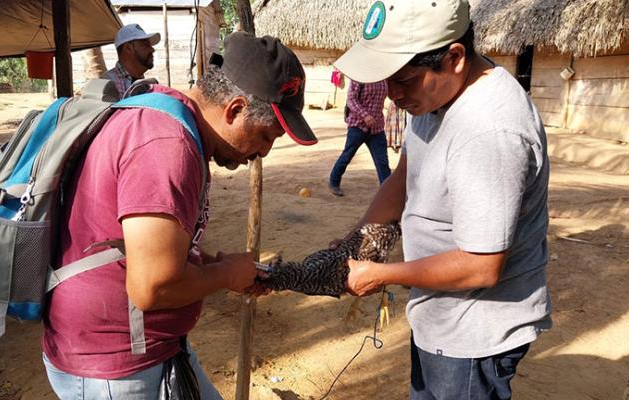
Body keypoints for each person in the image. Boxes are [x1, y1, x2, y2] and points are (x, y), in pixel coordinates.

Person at [42, 32, 317, 400]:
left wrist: (209, 263)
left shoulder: (164, 114)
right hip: (116, 367)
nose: (263, 152)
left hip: (150, 348)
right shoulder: (167, 146)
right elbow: (153, 287)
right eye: (267, 136)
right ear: (234, 110)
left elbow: (141, 247)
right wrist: (224, 274)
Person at [334, 0, 551, 398]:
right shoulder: (432, 96)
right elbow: (402, 178)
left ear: (453, 58)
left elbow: (481, 266)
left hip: (474, 333)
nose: (393, 96)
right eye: (387, 81)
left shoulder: (490, 131)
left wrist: (380, 274)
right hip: (440, 315)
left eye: (404, 80)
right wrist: (357, 244)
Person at [328, 79, 391, 196]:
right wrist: (365, 115)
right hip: (358, 126)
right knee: (347, 155)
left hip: (377, 128)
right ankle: (334, 182)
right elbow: (351, 100)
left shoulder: (384, 79)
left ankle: (387, 191)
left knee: (382, 161)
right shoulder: (358, 77)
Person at [105, 23, 160, 97]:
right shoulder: (107, 85)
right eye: (146, 44)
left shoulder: (145, 85)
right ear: (128, 48)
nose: (152, 49)